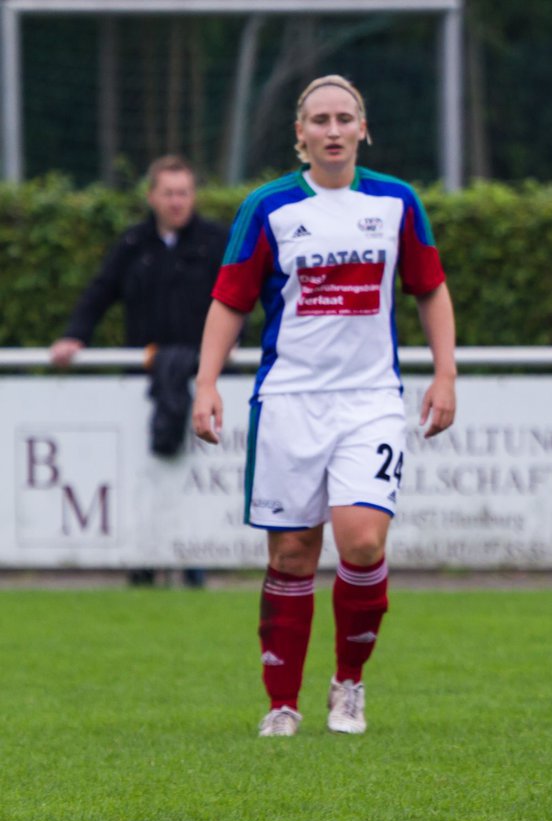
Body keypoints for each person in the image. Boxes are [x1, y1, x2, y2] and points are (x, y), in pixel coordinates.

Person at [190, 74, 457, 738]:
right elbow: (229, 299)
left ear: (363, 129)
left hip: (369, 400)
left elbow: (430, 288)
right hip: (288, 402)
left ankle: (350, 685)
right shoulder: (268, 207)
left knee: (362, 541)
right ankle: (282, 702)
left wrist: (445, 374)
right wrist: (205, 382)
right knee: (291, 555)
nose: (333, 131)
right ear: (300, 135)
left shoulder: (396, 202)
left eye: (345, 119)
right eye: (320, 120)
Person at [50, 154, 227, 590]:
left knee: (197, 474)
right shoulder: (133, 244)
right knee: (144, 472)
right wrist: (75, 336)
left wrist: (238, 344)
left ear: (193, 196)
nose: (176, 201)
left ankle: (194, 562)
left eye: (183, 192)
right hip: (143, 381)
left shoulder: (216, 242)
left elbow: (244, 296)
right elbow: (100, 293)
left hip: (202, 380)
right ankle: (143, 560)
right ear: (151, 196)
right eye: (167, 193)